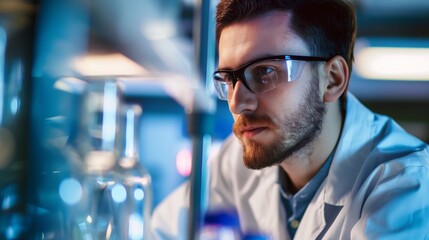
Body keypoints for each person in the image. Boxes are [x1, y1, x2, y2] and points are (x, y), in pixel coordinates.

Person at [151, 0, 429, 239]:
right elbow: (159, 231)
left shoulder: (406, 185)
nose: (236, 102)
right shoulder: (233, 162)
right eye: (229, 79)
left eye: (265, 72)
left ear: (332, 80)